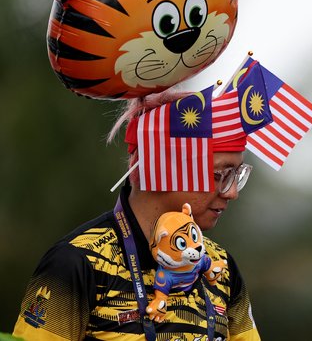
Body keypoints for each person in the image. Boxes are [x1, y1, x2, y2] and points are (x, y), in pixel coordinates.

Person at [13, 89, 261, 340]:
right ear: (161, 168)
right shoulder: (76, 262)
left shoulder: (221, 266)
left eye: (236, 176)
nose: (231, 193)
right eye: (219, 175)